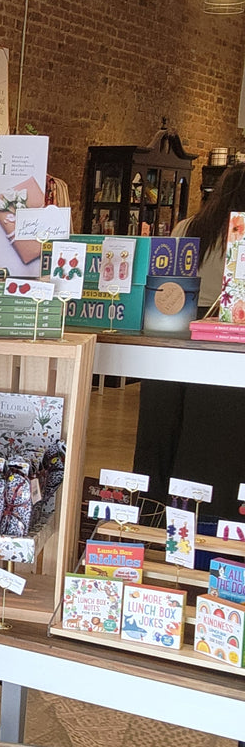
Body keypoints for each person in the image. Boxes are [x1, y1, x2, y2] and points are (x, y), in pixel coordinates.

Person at [133, 164, 245, 520]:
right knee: (213, 445)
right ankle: (213, 520)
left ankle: (152, 517)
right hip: (229, 353)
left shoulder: (188, 229)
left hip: (175, 344)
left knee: (162, 439)